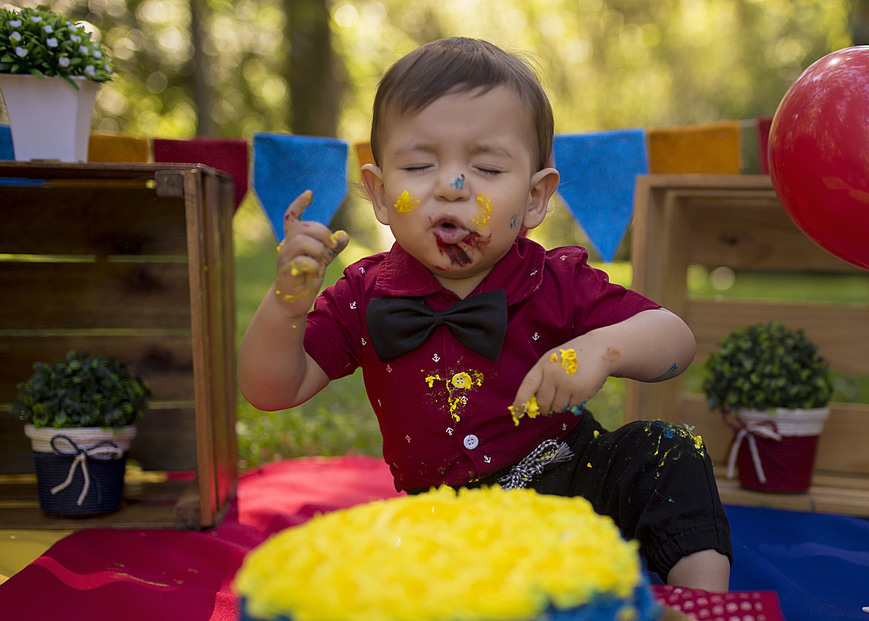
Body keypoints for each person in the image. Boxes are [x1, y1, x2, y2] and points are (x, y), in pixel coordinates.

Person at [238, 37, 732, 592]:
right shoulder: (364, 293)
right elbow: (271, 389)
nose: (452, 187)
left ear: (536, 197)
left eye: (488, 168)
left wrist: (600, 349)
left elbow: (676, 339)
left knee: (670, 450)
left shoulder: (557, 279)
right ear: (379, 193)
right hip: (446, 524)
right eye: (421, 164)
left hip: (574, 479)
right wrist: (287, 304)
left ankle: (703, 612)